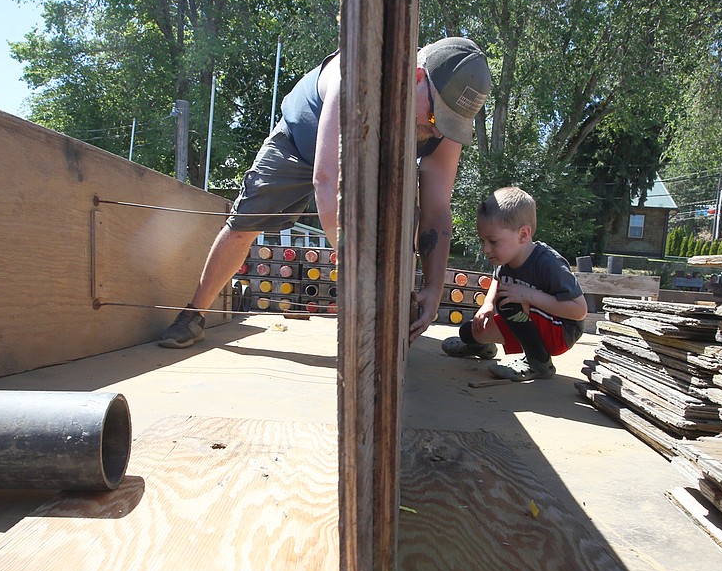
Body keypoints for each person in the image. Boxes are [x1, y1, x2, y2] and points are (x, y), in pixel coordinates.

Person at [158, 37, 492, 348]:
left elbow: (435, 211)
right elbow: (327, 180)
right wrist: (359, 274)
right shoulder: (358, 72)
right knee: (247, 220)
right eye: (436, 116)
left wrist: (433, 291)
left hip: (375, 158)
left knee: (398, 218)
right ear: (417, 76)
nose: (437, 129)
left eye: (450, 123)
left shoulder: (442, 123)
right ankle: (194, 313)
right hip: (302, 141)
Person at [441, 187, 587, 381]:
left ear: (523, 235)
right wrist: (488, 305)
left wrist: (527, 295)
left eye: (492, 241)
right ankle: (481, 347)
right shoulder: (506, 259)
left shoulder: (548, 263)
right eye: (482, 240)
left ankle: (538, 362)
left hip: (560, 331)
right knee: (469, 331)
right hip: (529, 320)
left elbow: (579, 311)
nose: (485, 249)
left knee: (509, 302)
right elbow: (497, 279)